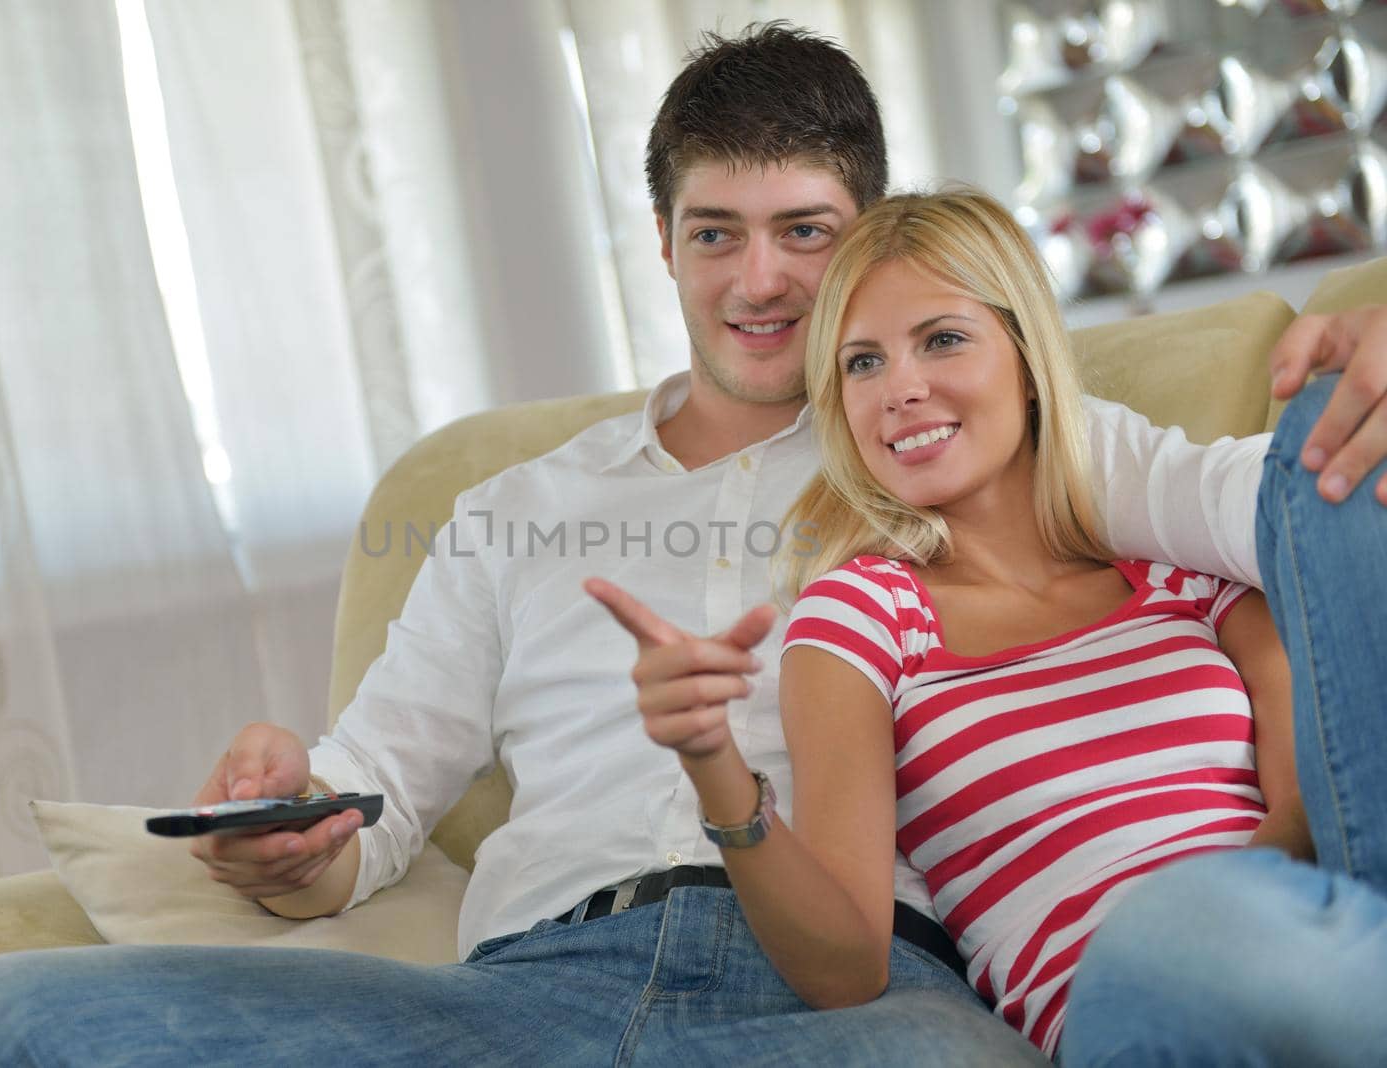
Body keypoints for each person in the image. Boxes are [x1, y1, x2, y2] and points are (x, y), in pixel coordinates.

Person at [0, 23, 1387, 1068]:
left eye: (806, 231)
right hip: (530, 994)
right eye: (716, 232)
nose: (764, 281)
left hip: (858, 1006)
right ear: (662, 247)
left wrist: (1364, 377)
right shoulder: (510, 510)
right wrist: (289, 837)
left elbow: (1262, 505)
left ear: (867, 239)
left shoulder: (961, 431)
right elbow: (374, 806)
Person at [592, 189, 1386, 1064]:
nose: (901, 389)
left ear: (1025, 353)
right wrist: (716, 770)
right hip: (1128, 1005)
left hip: (1314, 939)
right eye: (861, 364)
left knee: (1331, 431)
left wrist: (1226, 906)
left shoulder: (1192, 579)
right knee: (1169, 938)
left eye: (941, 339)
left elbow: (1321, 802)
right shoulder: (862, 615)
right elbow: (845, 968)